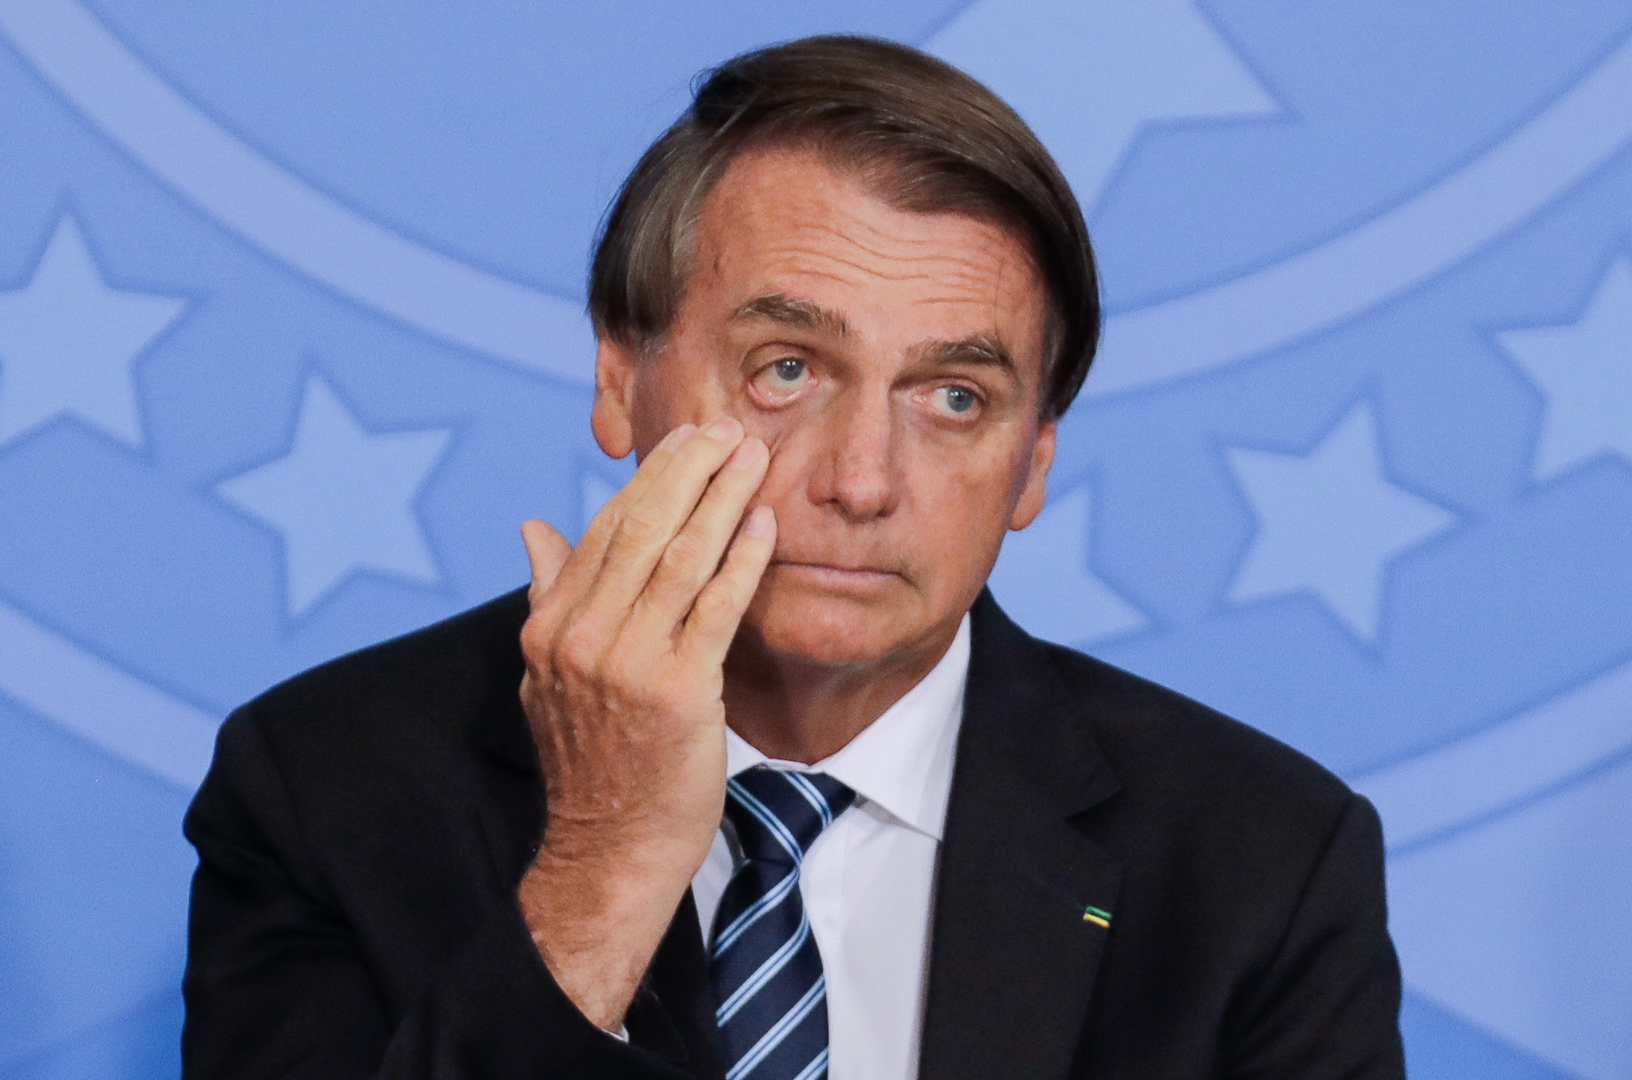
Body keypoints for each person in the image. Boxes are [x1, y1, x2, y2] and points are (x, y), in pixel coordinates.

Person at [181, 34, 1404, 1080]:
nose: (861, 483)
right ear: (620, 376)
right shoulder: (323, 788)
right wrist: (604, 866)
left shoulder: (1263, 863)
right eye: (787, 370)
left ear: (1034, 462)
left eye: (956, 398)